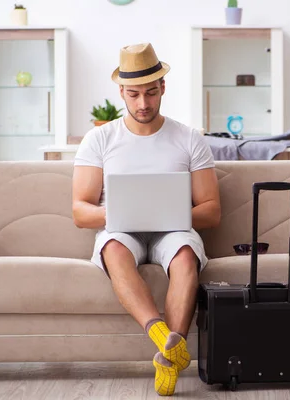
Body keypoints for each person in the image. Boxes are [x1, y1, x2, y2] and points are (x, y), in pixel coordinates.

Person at [71, 43, 221, 396]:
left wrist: (168, 213)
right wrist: (122, 212)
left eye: (151, 93)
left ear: (163, 88)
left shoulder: (188, 139)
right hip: (122, 230)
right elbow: (80, 210)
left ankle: (169, 358)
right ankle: (160, 333)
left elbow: (211, 210)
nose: (143, 103)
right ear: (121, 92)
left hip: (175, 229)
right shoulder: (99, 139)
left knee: (185, 255)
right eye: (134, 94)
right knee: (112, 246)